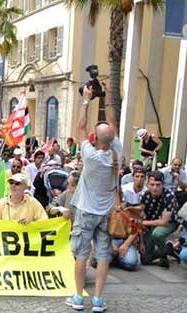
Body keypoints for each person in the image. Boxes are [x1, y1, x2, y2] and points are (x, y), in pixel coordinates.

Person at [65, 85, 120, 312]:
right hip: (106, 213)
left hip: (87, 211)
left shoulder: (90, 155)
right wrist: (106, 98)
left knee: (81, 254)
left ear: (95, 139)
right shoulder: (117, 154)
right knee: (104, 255)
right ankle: (98, 299)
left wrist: (87, 100)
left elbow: (80, 126)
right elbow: (113, 125)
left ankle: (78, 298)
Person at [139, 171, 179, 268]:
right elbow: (140, 215)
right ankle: (167, 249)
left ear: (163, 185)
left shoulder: (169, 197)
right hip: (150, 224)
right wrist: (140, 241)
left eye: (158, 185)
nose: (155, 188)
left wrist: (143, 222)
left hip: (168, 224)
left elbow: (164, 221)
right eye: (152, 184)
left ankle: (163, 253)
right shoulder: (145, 195)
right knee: (145, 259)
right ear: (147, 184)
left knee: (158, 233)